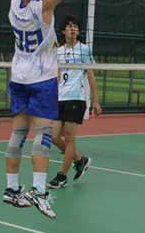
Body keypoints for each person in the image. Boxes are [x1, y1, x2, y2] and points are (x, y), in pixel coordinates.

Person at [2, 0, 77, 219]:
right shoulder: (43, 6)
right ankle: (40, 191)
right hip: (42, 79)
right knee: (44, 133)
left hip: (18, 76)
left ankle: (10, 189)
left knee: (18, 132)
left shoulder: (15, 1)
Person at [47, 15, 102, 189]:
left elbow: (91, 74)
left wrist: (96, 100)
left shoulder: (84, 50)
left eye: (76, 27)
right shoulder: (58, 51)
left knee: (69, 137)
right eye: (70, 27)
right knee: (54, 136)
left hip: (76, 97)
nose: (74, 29)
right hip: (60, 98)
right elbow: (56, 76)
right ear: (63, 31)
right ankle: (79, 160)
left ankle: (62, 176)